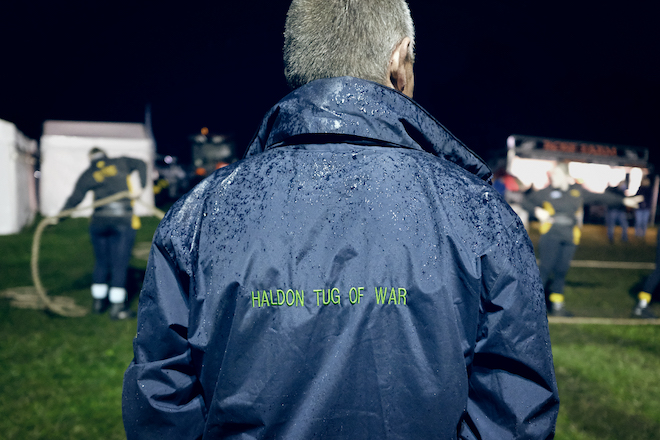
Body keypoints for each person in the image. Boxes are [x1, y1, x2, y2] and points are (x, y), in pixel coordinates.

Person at [122, 1, 560, 438]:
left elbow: (162, 405)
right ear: (399, 60)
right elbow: (512, 411)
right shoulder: (480, 213)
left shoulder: (202, 212)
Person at [523, 163, 640, 316]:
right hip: (551, 234)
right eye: (552, 176)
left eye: (556, 175)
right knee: (545, 270)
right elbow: (524, 201)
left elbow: (601, 197)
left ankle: (557, 306)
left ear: (566, 176)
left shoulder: (577, 191)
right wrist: (537, 211)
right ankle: (530, 308)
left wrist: (624, 201)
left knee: (561, 271)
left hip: (570, 235)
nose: (552, 178)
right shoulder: (546, 192)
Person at [60, 147, 147, 320]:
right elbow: (142, 163)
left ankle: (98, 303)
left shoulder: (89, 173)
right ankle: (117, 308)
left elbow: (75, 198)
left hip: (99, 221)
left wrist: (60, 216)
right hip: (122, 220)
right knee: (119, 264)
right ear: (105, 155)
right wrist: (141, 187)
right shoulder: (120, 162)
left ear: (90, 158)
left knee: (101, 262)